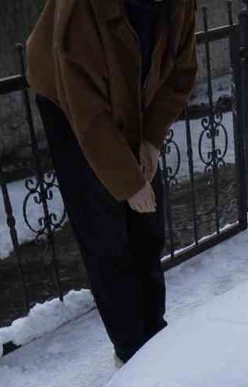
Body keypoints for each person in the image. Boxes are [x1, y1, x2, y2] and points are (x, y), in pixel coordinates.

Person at [26, 0, 198, 365]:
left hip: (129, 89)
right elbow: (87, 110)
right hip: (71, 105)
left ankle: (155, 333)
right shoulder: (81, 10)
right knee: (106, 236)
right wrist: (128, 182)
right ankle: (130, 352)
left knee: (147, 224)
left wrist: (150, 139)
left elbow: (181, 72)